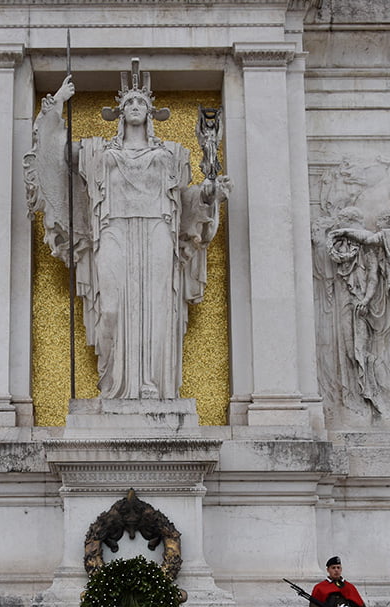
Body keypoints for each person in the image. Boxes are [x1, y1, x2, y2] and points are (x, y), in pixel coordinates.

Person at [26, 60, 229, 400]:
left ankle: (152, 384)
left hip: (158, 231)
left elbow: (185, 198)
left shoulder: (171, 154)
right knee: (111, 309)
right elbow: (51, 157)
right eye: (129, 103)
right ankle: (113, 384)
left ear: (151, 112)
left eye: (141, 103)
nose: (135, 107)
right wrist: (57, 104)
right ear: (120, 112)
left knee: (158, 308)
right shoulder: (96, 151)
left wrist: (210, 192)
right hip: (113, 230)